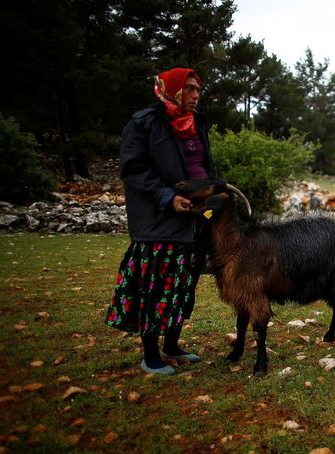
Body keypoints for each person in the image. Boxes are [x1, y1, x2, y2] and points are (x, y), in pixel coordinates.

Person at [105, 67, 217, 375]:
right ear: (173, 89)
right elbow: (133, 168)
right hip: (159, 221)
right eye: (190, 89)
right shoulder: (145, 123)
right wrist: (167, 197)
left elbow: (203, 165)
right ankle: (151, 355)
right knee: (157, 287)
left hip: (195, 217)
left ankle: (172, 344)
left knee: (184, 284)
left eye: (198, 90)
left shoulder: (197, 123)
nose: (196, 95)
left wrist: (212, 193)